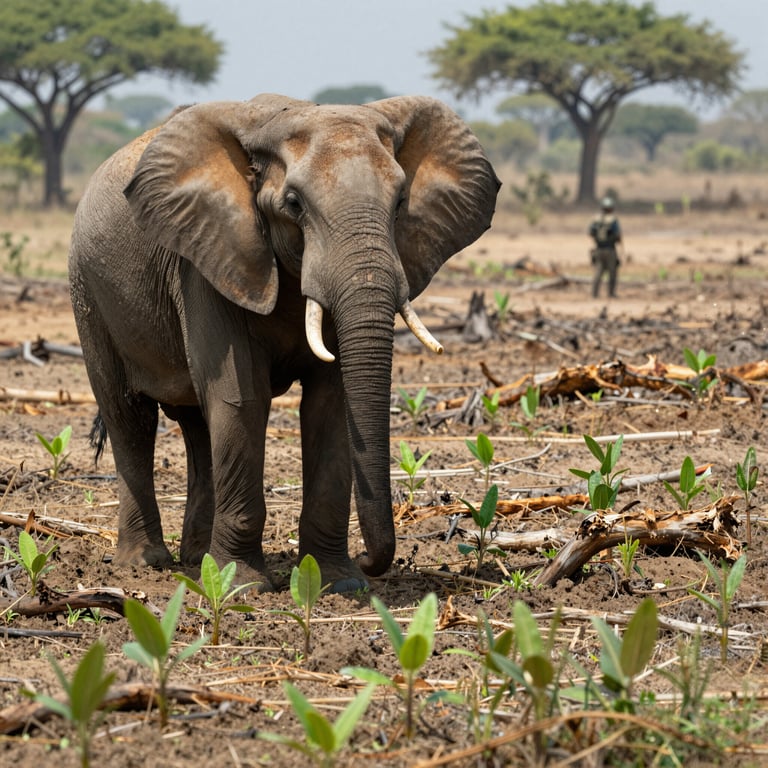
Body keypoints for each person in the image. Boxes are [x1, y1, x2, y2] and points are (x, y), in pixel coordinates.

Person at [589, 196, 622, 298]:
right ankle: (611, 293)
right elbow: (617, 234)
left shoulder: (596, 220)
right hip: (610, 249)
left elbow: (591, 232)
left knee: (598, 272)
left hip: (598, 249)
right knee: (612, 273)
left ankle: (594, 294)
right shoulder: (613, 220)